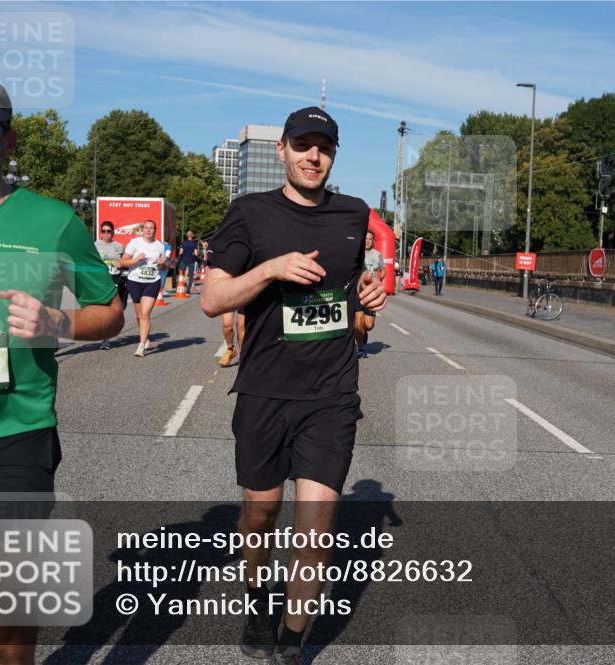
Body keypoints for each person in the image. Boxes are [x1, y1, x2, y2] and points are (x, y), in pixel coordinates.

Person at [0, 75, 123, 665]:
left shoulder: (54, 221)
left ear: (6, 141)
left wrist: (57, 326)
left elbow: (109, 312)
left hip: (17, 434)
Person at [201, 106, 386, 665]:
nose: (313, 156)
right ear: (281, 150)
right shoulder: (249, 213)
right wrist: (269, 270)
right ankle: (259, 596)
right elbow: (213, 300)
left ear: (333, 155)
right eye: (302, 145)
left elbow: (355, 288)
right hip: (263, 390)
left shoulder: (353, 213)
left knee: (317, 526)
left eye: (323, 147)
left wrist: (367, 296)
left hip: (331, 393)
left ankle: (289, 642)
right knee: (260, 513)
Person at [120, 220, 166, 357]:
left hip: (152, 282)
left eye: (151, 228)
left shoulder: (159, 246)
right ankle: (145, 338)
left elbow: (163, 267)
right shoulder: (134, 243)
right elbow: (123, 262)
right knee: (139, 316)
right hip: (134, 281)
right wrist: (135, 260)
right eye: (146, 228)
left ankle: (141, 346)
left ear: (155, 231)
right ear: (143, 230)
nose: (148, 230)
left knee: (145, 314)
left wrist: (163, 264)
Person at [94, 220, 129, 350]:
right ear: (100, 233)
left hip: (115, 279)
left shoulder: (119, 247)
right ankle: (105, 338)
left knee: (116, 309)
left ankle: (106, 336)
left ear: (113, 232)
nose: (106, 234)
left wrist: (121, 263)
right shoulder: (94, 246)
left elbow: (126, 262)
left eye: (108, 231)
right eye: (103, 231)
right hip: (101, 280)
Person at [354, 230, 386, 358]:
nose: (367, 241)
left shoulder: (377, 255)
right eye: (365, 238)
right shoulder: (356, 253)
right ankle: (360, 348)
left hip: (371, 294)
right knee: (358, 323)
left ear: (373, 241)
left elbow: (383, 271)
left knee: (368, 325)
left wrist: (379, 279)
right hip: (357, 293)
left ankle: (364, 334)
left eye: (370, 239)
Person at [178, 230, 200, 294]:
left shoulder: (184, 243)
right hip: (191, 260)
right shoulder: (194, 244)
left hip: (183, 260)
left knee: (181, 273)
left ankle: (180, 287)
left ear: (187, 236)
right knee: (190, 276)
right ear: (192, 236)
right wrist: (195, 256)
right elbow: (196, 253)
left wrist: (181, 256)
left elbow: (180, 252)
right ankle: (188, 290)